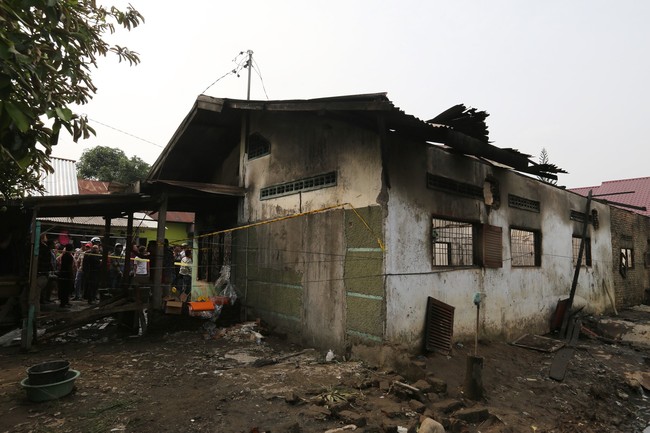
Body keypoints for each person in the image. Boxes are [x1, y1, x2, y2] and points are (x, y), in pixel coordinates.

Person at [57, 243, 75, 308]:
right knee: (65, 289)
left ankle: (66, 301)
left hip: (63, 273)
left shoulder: (64, 255)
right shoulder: (68, 256)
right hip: (66, 274)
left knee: (65, 289)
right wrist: (71, 274)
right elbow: (69, 266)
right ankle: (63, 303)